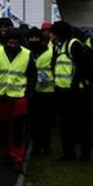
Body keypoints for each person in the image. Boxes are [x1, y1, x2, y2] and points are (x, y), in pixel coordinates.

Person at [0, 28, 36, 172]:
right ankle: (5, 154)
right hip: (1, 96)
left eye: (15, 43)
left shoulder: (27, 55)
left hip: (19, 97)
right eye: (10, 42)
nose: (12, 45)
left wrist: (28, 93)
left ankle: (17, 157)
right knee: (2, 127)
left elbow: (32, 76)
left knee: (18, 128)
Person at [50, 21, 90, 161]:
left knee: (80, 124)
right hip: (62, 90)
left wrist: (74, 83)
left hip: (75, 92)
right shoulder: (59, 46)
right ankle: (68, 153)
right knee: (65, 124)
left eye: (53, 33)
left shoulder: (74, 44)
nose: (51, 35)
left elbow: (82, 66)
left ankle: (85, 153)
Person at [27, 26, 55, 155]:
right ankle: (36, 145)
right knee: (34, 121)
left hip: (47, 92)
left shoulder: (50, 52)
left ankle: (46, 145)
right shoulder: (26, 53)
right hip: (32, 92)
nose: (33, 40)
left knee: (46, 121)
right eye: (31, 38)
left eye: (36, 37)